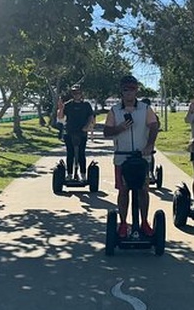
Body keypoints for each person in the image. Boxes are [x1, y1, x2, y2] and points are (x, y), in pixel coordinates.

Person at [103, 75, 159, 237]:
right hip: (122, 156)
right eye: (126, 89)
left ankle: (145, 222)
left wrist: (150, 145)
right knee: (123, 190)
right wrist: (119, 128)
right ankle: (123, 223)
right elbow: (106, 132)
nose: (129, 92)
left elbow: (154, 126)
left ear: (136, 91)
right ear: (121, 91)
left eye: (132, 89)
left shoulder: (145, 109)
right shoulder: (115, 110)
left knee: (143, 190)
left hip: (142, 157)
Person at [60, 84, 94, 180]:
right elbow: (61, 117)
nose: (77, 95)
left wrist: (87, 126)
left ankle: (83, 174)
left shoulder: (86, 105)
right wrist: (61, 108)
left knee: (81, 153)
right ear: (72, 94)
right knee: (70, 153)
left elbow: (91, 117)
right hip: (69, 132)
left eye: (78, 92)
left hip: (82, 132)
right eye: (74, 93)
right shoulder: (68, 105)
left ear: (81, 93)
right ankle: (70, 174)